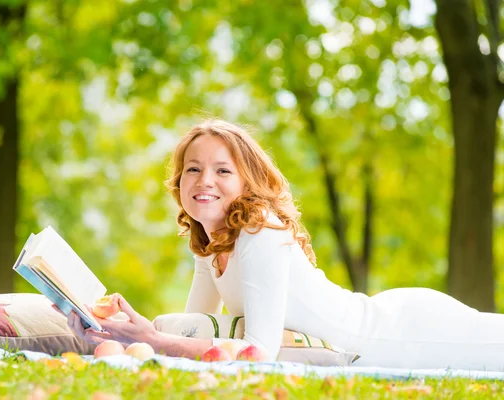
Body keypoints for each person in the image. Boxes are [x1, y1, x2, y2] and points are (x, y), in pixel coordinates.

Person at [64, 119, 504, 371]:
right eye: (193, 169)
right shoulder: (209, 240)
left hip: (400, 336)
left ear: (245, 182)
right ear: (179, 182)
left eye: (222, 171)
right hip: (384, 321)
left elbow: (259, 350)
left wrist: (154, 340)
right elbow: (200, 325)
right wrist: (132, 328)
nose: (204, 181)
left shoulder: (258, 230)